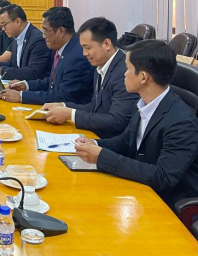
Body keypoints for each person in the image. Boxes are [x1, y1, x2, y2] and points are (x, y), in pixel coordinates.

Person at [75, 40, 198, 208]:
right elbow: (126, 141)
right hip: (138, 188)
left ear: (143, 77)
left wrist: (102, 156)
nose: (124, 74)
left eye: (127, 68)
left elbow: (163, 177)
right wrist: (95, 144)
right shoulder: (143, 103)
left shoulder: (182, 122)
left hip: (165, 203)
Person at [41, 17, 139, 138]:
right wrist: (63, 106)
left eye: (88, 48)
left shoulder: (124, 73)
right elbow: (94, 107)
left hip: (111, 142)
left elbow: (117, 121)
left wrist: (71, 114)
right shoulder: (100, 67)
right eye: (82, 47)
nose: (84, 53)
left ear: (106, 44)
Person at [0, 7, 94, 105]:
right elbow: (54, 81)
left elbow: (64, 96)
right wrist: (26, 85)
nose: (43, 36)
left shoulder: (77, 56)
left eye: (46, 31)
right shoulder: (64, 48)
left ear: (61, 31)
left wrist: (21, 96)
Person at [0, 4, 52, 81]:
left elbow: (33, 72)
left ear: (18, 21)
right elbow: (13, 64)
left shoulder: (38, 39)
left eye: (4, 24)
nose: (3, 29)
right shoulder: (16, 36)